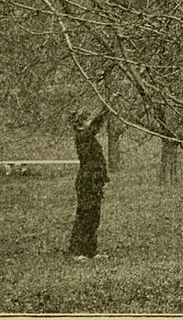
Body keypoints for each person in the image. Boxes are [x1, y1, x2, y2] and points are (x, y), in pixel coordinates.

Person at [68, 107, 110, 260]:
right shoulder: (82, 136)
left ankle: (90, 251)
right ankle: (77, 251)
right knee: (85, 214)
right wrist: (107, 108)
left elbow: (95, 126)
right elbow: (95, 125)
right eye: (86, 119)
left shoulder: (88, 136)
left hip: (94, 181)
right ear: (81, 123)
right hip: (87, 181)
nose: (89, 121)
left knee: (94, 216)